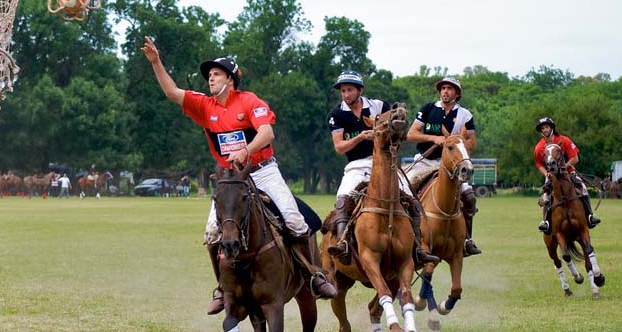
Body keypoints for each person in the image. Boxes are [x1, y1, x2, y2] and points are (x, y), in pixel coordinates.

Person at [140, 36, 337, 315]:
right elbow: (172, 92)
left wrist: (246, 150)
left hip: (263, 171)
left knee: (294, 220)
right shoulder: (205, 105)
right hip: (231, 180)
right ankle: (223, 288)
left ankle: (313, 275)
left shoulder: (249, 101)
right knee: (212, 233)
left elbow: (267, 133)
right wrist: (156, 62)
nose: (210, 78)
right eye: (209, 75)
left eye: (216, 74)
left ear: (230, 79)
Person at [325, 70, 440, 267]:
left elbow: (397, 131)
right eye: (343, 91)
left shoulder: (378, 106)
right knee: (343, 199)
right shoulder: (336, 115)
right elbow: (339, 147)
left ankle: (418, 248)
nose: (346, 94)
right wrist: (361, 137)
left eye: (350, 90)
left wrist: (397, 123)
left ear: (360, 90)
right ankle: (343, 243)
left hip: (386, 163)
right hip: (357, 165)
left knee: (411, 199)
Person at [405, 77, 482, 257]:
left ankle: (467, 240)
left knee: (469, 198)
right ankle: (407, 236)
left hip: (450, 166)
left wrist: (457, 144)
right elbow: (411, 134)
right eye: (443, 88)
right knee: (404, 191)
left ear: (457, 93)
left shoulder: (465, 115)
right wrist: (433, 138)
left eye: (449, 88)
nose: (445, 91)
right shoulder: (428, 109)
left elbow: (471, 141)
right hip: (425, 161)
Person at [533, 117, 601, 232]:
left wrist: (565, 166)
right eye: (542, 128)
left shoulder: (564, 140)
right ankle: (546, 222)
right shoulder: (539, 147)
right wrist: (546, 174)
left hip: (568, 173)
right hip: (552, 176)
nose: (545, 130)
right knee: (546, 196)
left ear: (552, 128)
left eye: (547, 127)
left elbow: (575, 158)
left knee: (582, 188)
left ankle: (590, 216)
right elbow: (538, 164)